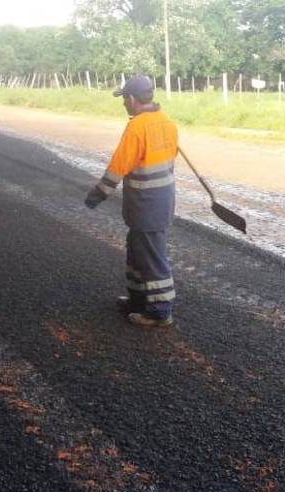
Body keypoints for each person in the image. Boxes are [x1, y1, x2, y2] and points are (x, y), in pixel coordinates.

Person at [85, 75, 178, 327]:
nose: (124, 103)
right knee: (137, 251)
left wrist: (99, 192)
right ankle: (138, 299)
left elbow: (119, 165)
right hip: (160, 200)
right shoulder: (166, 122)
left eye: (124, 98)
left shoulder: (137, 126)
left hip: (147, 202)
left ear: (133, 99)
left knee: (151, 255)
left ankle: (159, 310)